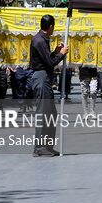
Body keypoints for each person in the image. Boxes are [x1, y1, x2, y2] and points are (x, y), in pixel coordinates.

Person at [30, 14, 68, 157]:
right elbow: (50, 63)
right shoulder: (39, 40)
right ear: (50, 26)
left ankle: (47, 145)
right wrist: (62, 55)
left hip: (45, 77)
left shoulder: (42, 39)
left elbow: (47, 58)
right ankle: (39, 147)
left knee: (50, 114)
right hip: (41, 77)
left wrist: (56, 52)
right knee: (43, 113)